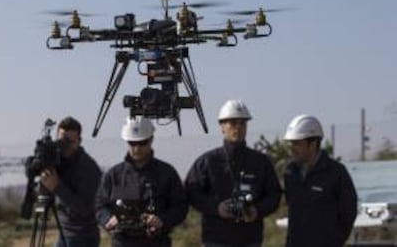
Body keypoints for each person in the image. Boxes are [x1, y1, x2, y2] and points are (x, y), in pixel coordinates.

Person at [185, 100, 282, 247]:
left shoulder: (260, 162)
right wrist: (216, 208)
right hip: (216, 239)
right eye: (232, 123)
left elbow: (274, 194)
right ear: (222, 127)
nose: (238, 128)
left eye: (242, 123)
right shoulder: (208, 161)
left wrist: (257, 210)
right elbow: (191, 193)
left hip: (250, 239)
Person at [95, 117, 188, 247]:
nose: (137, 148)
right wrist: (108, 219)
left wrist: (162, 220)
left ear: (151, 140)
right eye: (132, 143)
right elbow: (100, 205)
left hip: (157, 242)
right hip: (122, 242)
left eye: (142, 143)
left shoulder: (167, 173)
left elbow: (181, 206)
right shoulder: (113, 175)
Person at [282, 114, 357, 247]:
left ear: (313, 143)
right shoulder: (290, 172)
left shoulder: (336, 172)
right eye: (291, 143)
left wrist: (335, 240)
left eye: (297, 143)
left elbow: (348, 211)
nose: (292, 148)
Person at [39, 116, 102, 247]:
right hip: (64, 232)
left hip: (83, 236)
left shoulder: (88, 168)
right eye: (62, 140)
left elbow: (85, 208)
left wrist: (56, 187)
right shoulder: (58, 160)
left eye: (70, 141)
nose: (65, 146)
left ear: (79, 141)